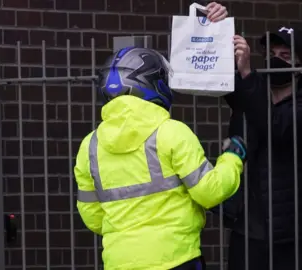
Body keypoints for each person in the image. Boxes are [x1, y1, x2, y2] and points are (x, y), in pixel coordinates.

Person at [73, 5, 245, 269]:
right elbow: (210, 192)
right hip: (176, 259)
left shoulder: (90, 146)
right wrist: (232, 157)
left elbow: (93, 218)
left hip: (119, 262)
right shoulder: (171, 132)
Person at [214, 26, 302, 269]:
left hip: (291, 227)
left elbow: (277, 126)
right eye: (272, 54)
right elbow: (218, 77)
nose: (276, 60)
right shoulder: (252, 91)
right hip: (248, 225)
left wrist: (248, 75)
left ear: (300, 65)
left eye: (285, 56)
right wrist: (218, 22)